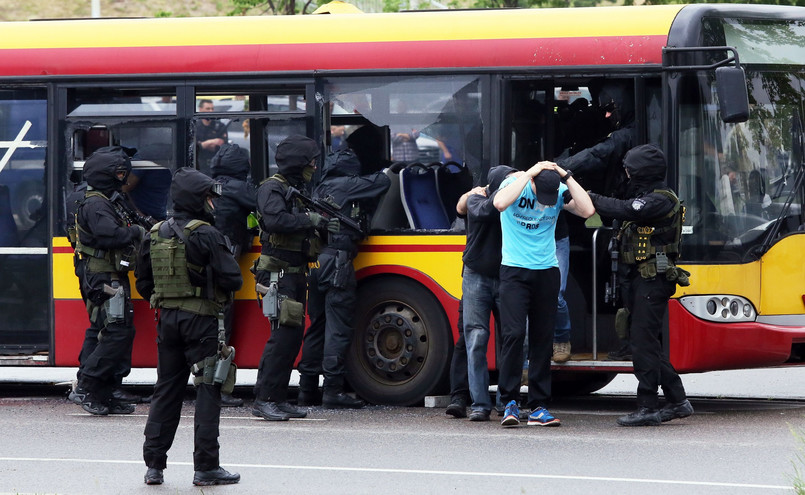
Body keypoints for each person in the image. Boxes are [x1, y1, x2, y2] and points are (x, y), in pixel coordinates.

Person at [136, 167, 242, 486]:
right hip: (201, 323)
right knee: (209, 389)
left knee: (166, 389)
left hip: (166, 322)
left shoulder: (154, 232)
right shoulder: (207, 234)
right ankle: (206, 466)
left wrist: (165, 298)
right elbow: (233, 278)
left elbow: (143, 282)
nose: (212, 204)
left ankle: (154, 465)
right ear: (197, 200)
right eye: (208, 197)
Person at [587, 144, 694, 427]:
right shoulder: (644, 196)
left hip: (653, 280)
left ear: (641, 172)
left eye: (630, 170)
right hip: (639, 279)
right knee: (643, 343)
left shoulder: (660, 200)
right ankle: (678, 400)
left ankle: (647, 405)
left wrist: (591, 196)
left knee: (643, 344)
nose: (626, 175)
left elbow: (623, 209)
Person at [492, 161, 594, 427]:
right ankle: (509, 401)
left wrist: (567, 176)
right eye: (541, 195)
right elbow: (500, 203)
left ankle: (538, 405)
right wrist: (528, 173)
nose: (546, 203)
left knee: (542, 339)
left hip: (546, 271)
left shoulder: (558, 191)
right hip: (514, 271)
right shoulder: (515, 185)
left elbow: (588, 210)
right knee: (513, 335)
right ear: (533, 182)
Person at [296, 147, 391, 408]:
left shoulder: (319, 187)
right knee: (337, 328)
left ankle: (306, 390)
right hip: (337, 262)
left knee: (316, 326)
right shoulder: (347, 185)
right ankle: (333, 391)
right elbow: (383, 181)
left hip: (315, 263)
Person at [252, 134, 333, 421]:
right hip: (277, 273)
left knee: (292, 338)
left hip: (295, 273)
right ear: (299, 162)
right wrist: (308, 220)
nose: (314, 166)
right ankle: (264, 399)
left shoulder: (295, 190)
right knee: (282, 337)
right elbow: (275, 221)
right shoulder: (271, 188)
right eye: (310, 161)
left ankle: (278, 397)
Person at [558, 81, 636, 361]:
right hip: (619, 216)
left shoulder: (626, 135)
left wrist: (556, 168)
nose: (605, 116)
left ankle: (631, 343)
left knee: (627, 281)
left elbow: (597, 155)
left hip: (625, 217)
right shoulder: (625, 130)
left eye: (610, 109)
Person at [71, 146, 144, 415]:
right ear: (106, 175)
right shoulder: (96, 203)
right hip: (104, 277)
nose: (124, 178)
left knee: (103, 328)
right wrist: (136, 232)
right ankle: (88, 386)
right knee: (117, 331)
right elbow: (110, 234)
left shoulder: (106, 199)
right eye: (120, 173)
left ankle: (104, 389)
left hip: (110, 275)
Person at [453, 165, 516, 422]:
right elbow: (481, 209)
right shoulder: (478, 198)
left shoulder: (513, 200)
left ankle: (506, 401)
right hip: (476, 275)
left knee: (513, 340)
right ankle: (480, 403)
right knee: (476, 338)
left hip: (508, 274)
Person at [209, 143, 257, 407]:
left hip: (203, 263)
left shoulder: (207, 184)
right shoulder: (237, 187)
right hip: (225, 260)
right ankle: (219, 387)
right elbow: (265, 205)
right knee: (221, 321)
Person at [552, 211, 572, 363]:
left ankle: (561, 341)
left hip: (557, 239)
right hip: (528, 240)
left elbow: (586, 210)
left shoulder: (561, 187)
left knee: (556, 294)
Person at [196, 99, 228, 176]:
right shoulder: (195, 126)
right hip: (199, 166)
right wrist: (210, 142)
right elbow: (193, 147)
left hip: (216, 166)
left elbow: (222, 146)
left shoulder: (220, 126)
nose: (211, 111)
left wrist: (203, 144)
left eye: (212, 109)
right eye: (208, 109)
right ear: (200, 109)